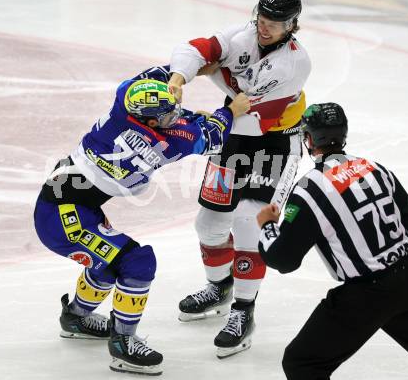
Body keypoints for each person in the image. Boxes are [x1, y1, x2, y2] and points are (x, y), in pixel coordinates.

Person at [34, 65, 250, 375]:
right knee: (137, 262)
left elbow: (155, 74)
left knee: (108, 264)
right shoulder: (173, 141)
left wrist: (174, 85)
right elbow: (213, 137)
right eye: (165, 117)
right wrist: (229, 110)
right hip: (63, 217)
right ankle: (123, 343)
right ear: (149, 121)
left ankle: (76, 318)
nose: (174, 118)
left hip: (64, 204)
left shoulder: (125, 98)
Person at [168, 0, 311, 357]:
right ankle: (220, 286)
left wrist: (214, 73)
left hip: (274, 141)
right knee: (209, 225)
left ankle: (244, 312)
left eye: (275, 24)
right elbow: (193, 49)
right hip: (234, 134)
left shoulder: (294, 64)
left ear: (292, 26)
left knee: (248, 221)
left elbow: (246, 112)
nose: (265, 28)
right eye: (262, 19)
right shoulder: (241, 35)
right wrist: (180, 76)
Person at [257, 102, 408, 379]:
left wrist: (266, 226)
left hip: (365, 295)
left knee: (302, 362)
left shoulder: (310, 190)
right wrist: (396, 274)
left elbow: (283, 259)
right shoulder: (375, 168)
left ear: (310, 140)